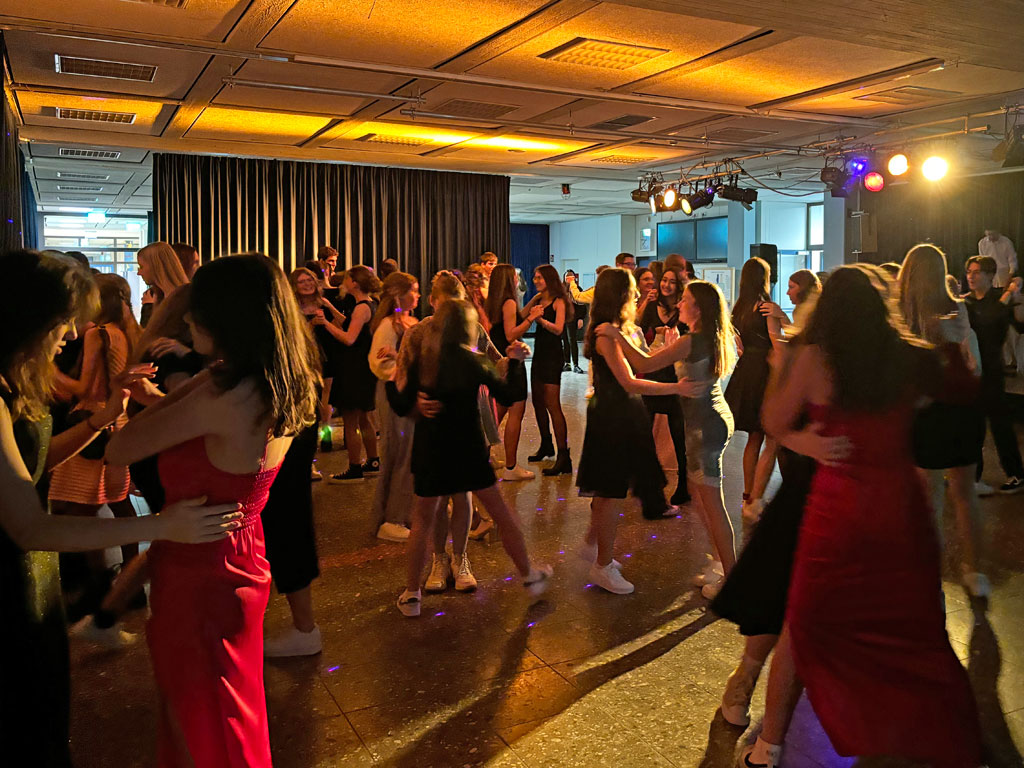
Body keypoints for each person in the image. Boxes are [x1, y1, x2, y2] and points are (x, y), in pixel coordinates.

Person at [0, 249, 242, 768]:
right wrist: (163, 524)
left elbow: (32, 466)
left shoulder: (11, 383)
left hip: (35, 575)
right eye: (63, 321)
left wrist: (104, 416)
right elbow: (27, 526)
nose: (71, 333)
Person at [106, 253, 320, 768]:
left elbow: (120, 449)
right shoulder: (277, 379)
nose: (188, 318)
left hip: (200, 568)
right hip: (243, 551)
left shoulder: (220, 393)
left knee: (202, 715)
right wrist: (155, 394)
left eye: (198, 309)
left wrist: (134, 402)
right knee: (230, 706)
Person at [765, 263, 981, 767]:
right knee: (911, 627)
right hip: (898, 507)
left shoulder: (814, 357)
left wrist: (806, 442)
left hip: (839, 508)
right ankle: (921, 731)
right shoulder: (907, 355)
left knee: (811, 619)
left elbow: (774, 419)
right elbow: (963, 392)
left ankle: (831, 731)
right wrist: (953, 344)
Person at [386, 299, 552, 617]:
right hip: (468, 450)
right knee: (502, 515)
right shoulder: (473, 361)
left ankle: (412, 594)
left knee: (422, 522)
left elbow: (400, 401)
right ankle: (529, 576)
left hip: (431, 450)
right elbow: (508, 394)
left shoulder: (423, 362)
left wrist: (390, 378)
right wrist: (517, 362)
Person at [610, 279, 738, 598]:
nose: (679, 303)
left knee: (713, 504)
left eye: (685, 299)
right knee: (699, 495)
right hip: (709, 419)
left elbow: (643, 364)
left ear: (698, 308)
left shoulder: (692, 340)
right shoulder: (703, 336)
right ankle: (718, 561)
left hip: (705, 425)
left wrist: (615, 336)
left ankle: (732, 578)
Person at [578, 268, 695, 594]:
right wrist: (676, 388)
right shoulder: (606, 334)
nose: (637, 295)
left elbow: (643, 363)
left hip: (622, 414)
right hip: (612, 416)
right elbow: (630, 380)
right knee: (611, 492)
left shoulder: (616, 330)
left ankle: (595, 547)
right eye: (631, 290)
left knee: (611, 489)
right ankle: (602, 564)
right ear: (619, 295)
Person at [49, 275, 143, 645]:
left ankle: (99, 588)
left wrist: (50, 372)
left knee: (78, 508)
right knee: (118, 502)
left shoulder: (97, 333)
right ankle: (130, 581)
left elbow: (85, 387)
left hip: (94, 423)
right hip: (118, 422)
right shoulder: (128, 331)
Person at [899, 245, 988, 597]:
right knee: (965, 495)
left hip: (925, 413)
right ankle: (974, 571)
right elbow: (975, 366)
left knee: (929, 496)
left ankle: (927, 571)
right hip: (963, 410)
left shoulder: (904, 316)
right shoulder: (958, 309)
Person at [724, 257, 782, 524]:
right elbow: (778, 342)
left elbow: (739, 345)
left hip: (746, 370)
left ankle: (748, 494)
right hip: (765, 371)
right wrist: (783, 317)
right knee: (769, 436)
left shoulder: (740, 308)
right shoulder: (766, 307)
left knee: (753, 437)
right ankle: (757, 497)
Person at [964, 255, 1024, 494]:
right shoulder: (966, 302)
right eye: (969, 271)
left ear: (990, 275)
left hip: (992, 371)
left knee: (1000, 426)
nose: (971, 276)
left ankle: (1016, 474)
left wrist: (1015, 297)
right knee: (973, 426)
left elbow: (1019, 325)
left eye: (976, 272)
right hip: (972, 370)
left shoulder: (999, 299)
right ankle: (973, 476)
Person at [368, 271, 420, 541]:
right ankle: (393, 517)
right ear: (399, 294)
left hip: (409, 391)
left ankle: (405, 511)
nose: (418, 295)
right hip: (396, 394)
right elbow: (380, 365)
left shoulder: (411, 322)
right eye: (413, 290)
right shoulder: (388, 325)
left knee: (410, 454)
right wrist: (403, 366)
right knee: (399, 453)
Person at [637, 265, 691, 507]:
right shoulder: (652, 306)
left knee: (679, 434)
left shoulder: (683, 308)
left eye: (672, 282)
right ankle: (650, 479)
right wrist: (653, 327)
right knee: (645, 430)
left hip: (676, 374)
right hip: (653, 371)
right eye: (664, 280)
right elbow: (638, 330)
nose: (666, 285)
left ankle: (683, 483)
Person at [324, 265, 381, 483]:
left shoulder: (360, 308)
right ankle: (373, 461)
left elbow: (349, 338)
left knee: (351, 421)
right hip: (363, 369)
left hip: (353, 370)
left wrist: (325, 324)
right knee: (365, 418)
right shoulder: (369, 304)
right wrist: (329, 307)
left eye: (348, 278)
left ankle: (354, 467)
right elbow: (349, 324)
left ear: (355, 283)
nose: (344, 281)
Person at [289, 267, 344, 467]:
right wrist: (312, 323)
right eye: (302, 282)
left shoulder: (324, 302)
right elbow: (293, 335)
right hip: (306, 355)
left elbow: (344, 324)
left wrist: (330, 309)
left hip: (328, 351)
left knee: (327, 392)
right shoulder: (293, 306)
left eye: (309, 280)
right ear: (295, 285)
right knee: (310, 394)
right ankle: (308, 432)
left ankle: (326, 431)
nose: (307, 284)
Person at [523, 264, 573, 476]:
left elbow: (558, 329)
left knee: (552, 404)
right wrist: (533, 303)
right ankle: (546, 443)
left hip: (553, 355)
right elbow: (521, 315)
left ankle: (564, 455)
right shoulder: (538, 300)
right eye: (535, 277)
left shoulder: (558, 301)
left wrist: (539, 319)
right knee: (537, 401)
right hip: (539, 354)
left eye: (540, 277)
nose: (535, 281)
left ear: (549, 279)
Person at [486, 264, 535, 481]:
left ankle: (482, 457)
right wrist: (532, 319)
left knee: (498, 411)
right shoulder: (509, 302)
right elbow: (511, 333)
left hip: (499, 362)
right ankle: (511, 466)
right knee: (516, 411)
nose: (517, 279)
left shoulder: (494, 302)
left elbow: (513, 319)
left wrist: (531, 306)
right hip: (512, 360)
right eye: (514, 276)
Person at [137, 242, 189, 328]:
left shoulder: (182, 299)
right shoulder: (156, 295)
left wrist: (148, 308)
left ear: (156, 267)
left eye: (141, 267)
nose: (139, 273)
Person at [568, 253, 635, 305]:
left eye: (633, 264)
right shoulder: (604, 289)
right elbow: (578, 297)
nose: (632, 267)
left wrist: (571, 282)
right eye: (628, 264)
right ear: (618, 265)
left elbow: (578, 297)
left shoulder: (632, 284)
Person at [561, 270, 586, 374]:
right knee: (565, 341)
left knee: (572, 340)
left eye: (571, 276)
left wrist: (580, 318)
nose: (569, 278)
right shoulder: (561, 290)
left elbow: (582, 305)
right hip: (562, 319)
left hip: (573, 319)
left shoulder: (577, 289)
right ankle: (567, 363)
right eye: (567, 276)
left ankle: (576, 364)